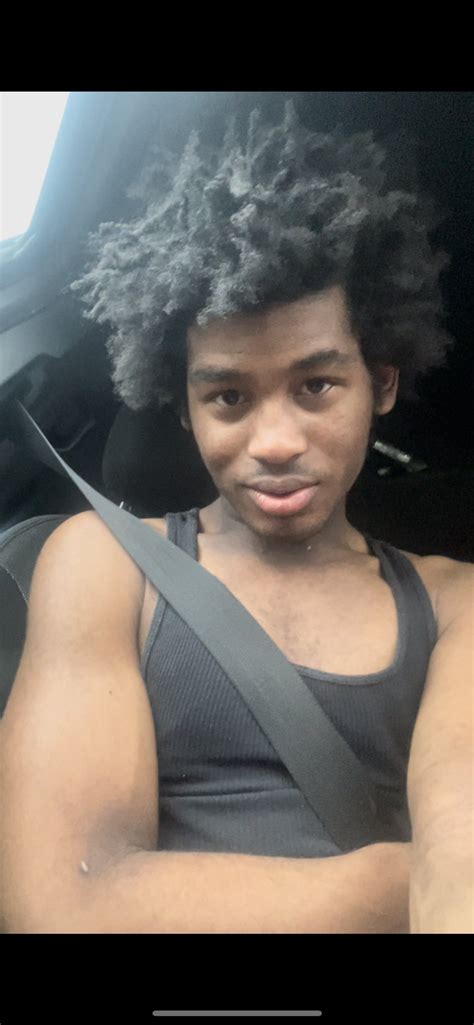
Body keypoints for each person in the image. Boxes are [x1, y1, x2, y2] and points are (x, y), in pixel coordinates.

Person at [1, 103, 472, 934]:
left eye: (316, 385)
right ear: (184, 408)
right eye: (228, 396)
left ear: (382, 383)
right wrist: (405, 876)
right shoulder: (105, 565)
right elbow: (64, 901)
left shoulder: (454, 602)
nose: (276, 441)